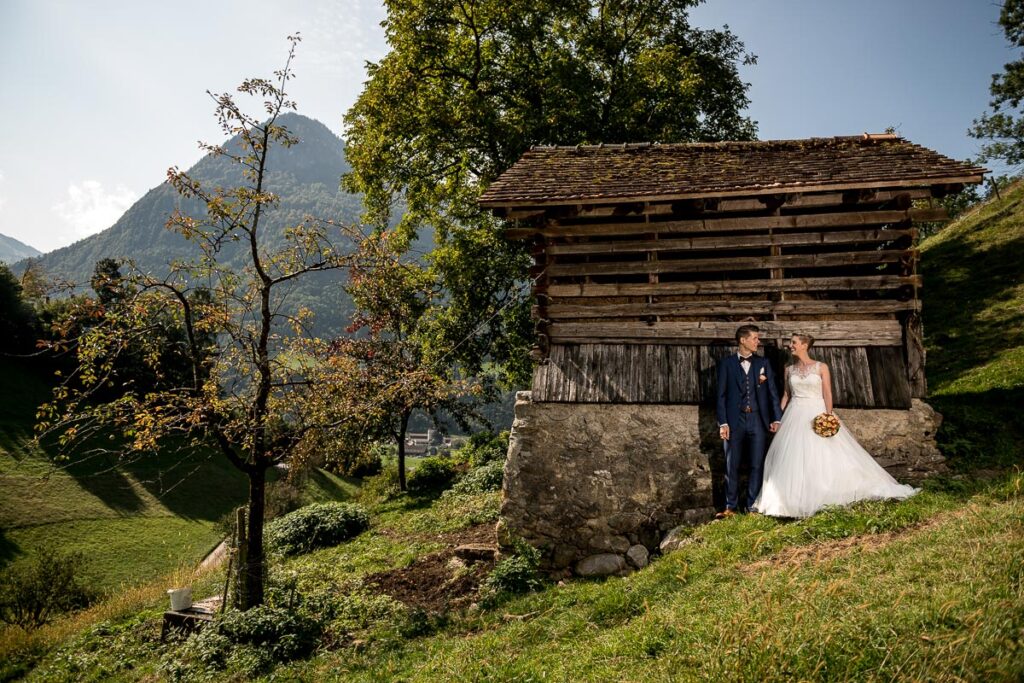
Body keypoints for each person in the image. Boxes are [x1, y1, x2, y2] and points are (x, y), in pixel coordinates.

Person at [752, 333, 918, 518]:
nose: (790, 346)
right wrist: (777, 418)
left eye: (794, 343)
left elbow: (828, 393)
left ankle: (828, 493)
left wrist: (828, 416)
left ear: (804, 345)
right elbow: (786, 395)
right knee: (793, 455)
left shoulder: (821, 367)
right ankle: (794, 500)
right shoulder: (789, 369)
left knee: (823, 454)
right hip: (794, 414)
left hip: (817, 412)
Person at [715, 324, 783, 518]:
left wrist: (776, 418)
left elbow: (772, 394)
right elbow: (720, 396)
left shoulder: (764, 363)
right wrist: (723, 423)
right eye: (754, 338)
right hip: (734, 421)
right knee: (731, 464)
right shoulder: (726, 364)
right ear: (742, 340)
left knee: (757, 464)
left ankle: (752, 505)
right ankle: (730, 506)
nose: (758, 342)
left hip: (758, 420)